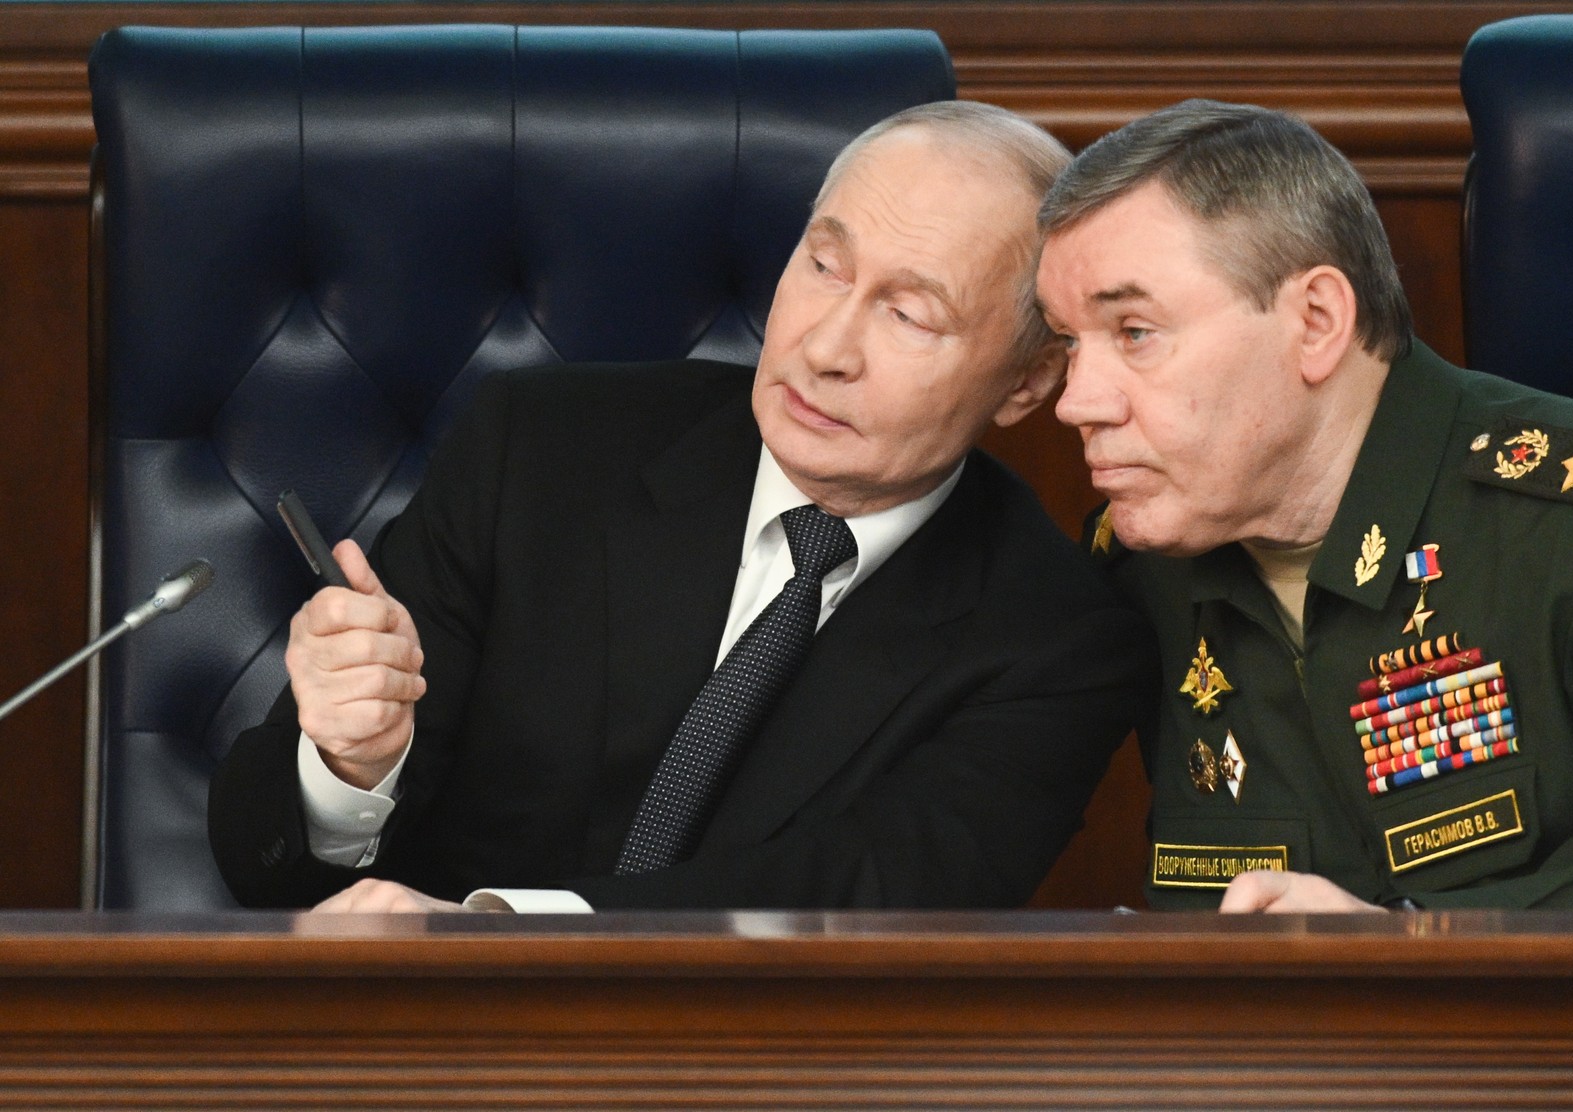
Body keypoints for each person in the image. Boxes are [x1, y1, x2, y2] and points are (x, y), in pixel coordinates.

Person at [208, 101, 1155, 913]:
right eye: (824, 266)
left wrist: (507, 936)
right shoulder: (537, 451)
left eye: (908, 315)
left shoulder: (1056, 636)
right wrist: (350, 768)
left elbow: (864, 901)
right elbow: (260, 862)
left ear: (1027, 384)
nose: (825, 348)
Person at [1035, 98, 1573, 911]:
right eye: (1067, 342)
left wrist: (1410, 944)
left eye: (1135, 333)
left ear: (1317, 321)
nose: (1076, 401)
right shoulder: (1135, 570)